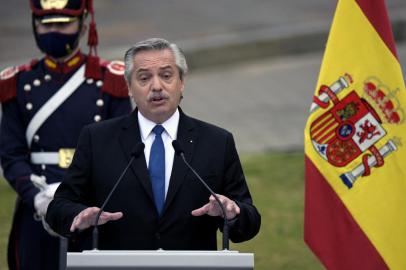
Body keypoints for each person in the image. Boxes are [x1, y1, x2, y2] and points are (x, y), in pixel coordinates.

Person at [46, 38, 261, 251]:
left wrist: (233, 213)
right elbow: (58, 208)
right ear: (129, 87)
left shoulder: (216, 142)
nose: (156, 86)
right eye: (144, 78)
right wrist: (79, 216)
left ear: (182, 82)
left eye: (166, 76)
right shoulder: (97, 139)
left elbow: (249, 220)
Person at [0, 0, 132, 269]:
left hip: (94, 209)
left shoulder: (110, 79)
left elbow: (122, 152)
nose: (54, 32)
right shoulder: (18, 83)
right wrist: (38, 198)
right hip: (37, 206)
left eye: (64, 24)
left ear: (83, 25)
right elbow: (11, 156)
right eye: (45, 24)